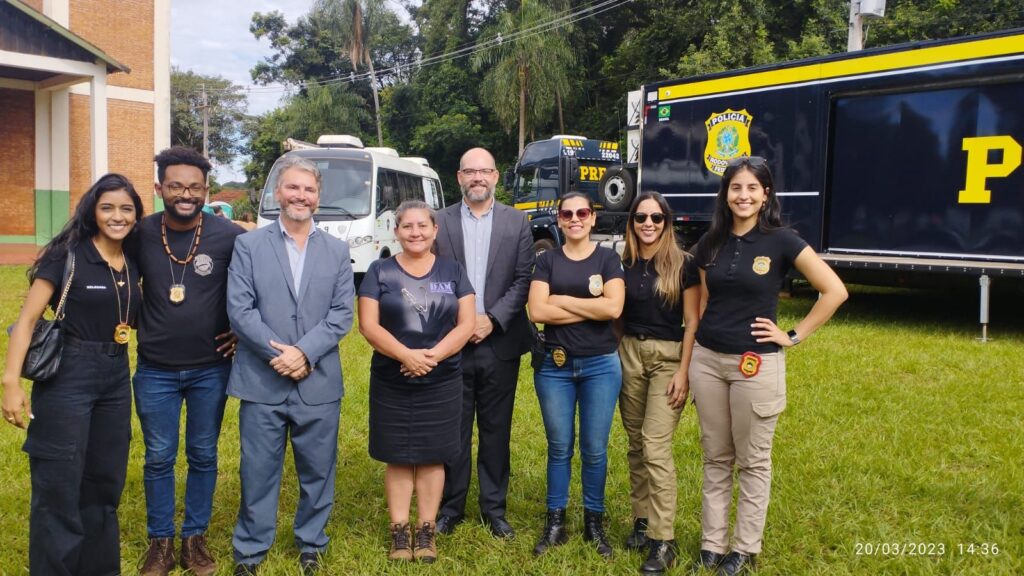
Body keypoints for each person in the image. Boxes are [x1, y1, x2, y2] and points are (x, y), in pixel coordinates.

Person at [688, 156, 847, 575]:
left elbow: (834, 291)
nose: (742, 196)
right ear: (726, 194)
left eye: (751, 188)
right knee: (716, 457)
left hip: (754, 366)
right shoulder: (711, 241)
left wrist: (792, 336)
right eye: (735, 188)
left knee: (753, 460)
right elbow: (703, 300)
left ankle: (744, 549)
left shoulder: (783, 240)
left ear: (765, 195)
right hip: (707, 361)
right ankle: (712, 544)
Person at [2, 174, 143, 575]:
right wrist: (11, 383)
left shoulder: (130, 261)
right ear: (92, 212)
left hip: (116, 374)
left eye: (126, 208)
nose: (118, 216)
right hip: (68, 375)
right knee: (59, 484)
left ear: (136, 214)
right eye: (108, 207)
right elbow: (28, 321)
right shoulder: (69, 255)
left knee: (103, 483)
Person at [226, 156, 355, 575]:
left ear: (319, 197)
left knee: (318, 471)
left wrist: (304, 353)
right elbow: (240, 311)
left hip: (317, 381)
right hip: (262, 380)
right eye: (293, 188)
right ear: (277, 193)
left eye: (309, 189)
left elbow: (341, 314)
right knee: (258, 471)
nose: (301, 196)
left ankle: (312, 543)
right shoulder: (248, 245)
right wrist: (279, 355)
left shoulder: (337, 251)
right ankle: (250, 550)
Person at [135, 146, 243, 576]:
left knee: (203, 453)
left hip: (210, 367)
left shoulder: (227, 234)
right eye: (176, 185)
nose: (186, 193)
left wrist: (242, 329)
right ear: (159, 187)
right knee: (158, 456)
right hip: (154, 367)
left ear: (206, 190)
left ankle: (194, 538)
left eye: (195, 187)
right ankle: (160, 542)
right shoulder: (140, 232)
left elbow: (257, 284)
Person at [358, 200, 476, 563]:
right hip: (392, 379)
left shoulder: (454, 270)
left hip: (441, 380)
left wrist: (431, 357)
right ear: (396, 231)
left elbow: (467, 324)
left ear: (435, 229)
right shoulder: (379, 271)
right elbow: (368, 325)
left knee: (432, 456)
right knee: (397, 456)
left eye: (423, 226)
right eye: (407, 226)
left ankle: (426, 532)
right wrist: (405, 356)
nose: (416, 233)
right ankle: (400, 532)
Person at [433, 147, 535, 539]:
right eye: (469, 171)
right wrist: (462, 323)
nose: (477, 178)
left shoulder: (517, 221)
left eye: (485, 171)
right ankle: (450, 507)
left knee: (496, 430)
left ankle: (494, 509)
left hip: (499, 343)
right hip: (452, 344)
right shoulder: (439, 222)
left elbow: (523, 279)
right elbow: (433, 277)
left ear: (496, 176)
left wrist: (491, 320)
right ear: (458, 177)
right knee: (453, 429)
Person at [528, 192, 625, 559]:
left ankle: (593, 523)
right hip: (555, 367)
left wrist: (561, 301)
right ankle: (555, 523)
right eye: (567, 213)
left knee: (595, 450)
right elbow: (537, 309)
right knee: (558, 447)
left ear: (593, 218)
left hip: (601, 365)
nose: (575, 218)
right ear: (559, 219)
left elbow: (614, 307)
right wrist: (591, 309)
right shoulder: (547, 260)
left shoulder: (607, 258)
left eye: (582, 212)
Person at [617, 192, 699, 574]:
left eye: (656, 218)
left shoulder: (683, 265)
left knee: (655, 445)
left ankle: (663, 539)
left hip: (668, 359)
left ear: (667, 222)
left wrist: (685, 371)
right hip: (629, 353)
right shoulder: (624, 262)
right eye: (640, 217)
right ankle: (642, 520)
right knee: (636, 444)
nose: (648, 224)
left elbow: (693, 322)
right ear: (631, 221)